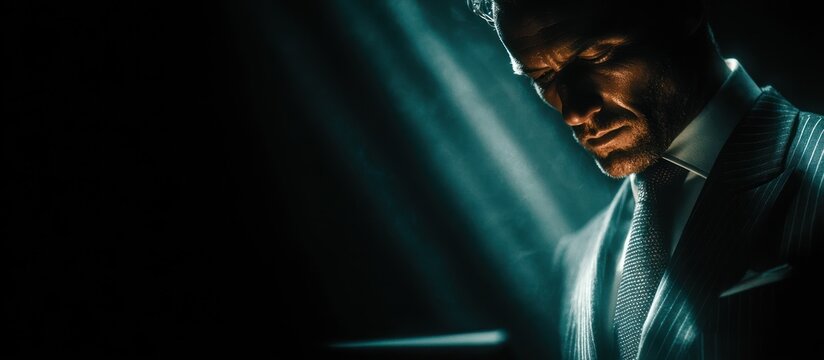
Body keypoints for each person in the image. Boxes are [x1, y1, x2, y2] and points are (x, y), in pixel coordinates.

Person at [471, 0, 823, 359]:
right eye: (543, 77)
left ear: (684, 10)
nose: (574, 111)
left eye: (597, 55)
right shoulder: (575, 258)